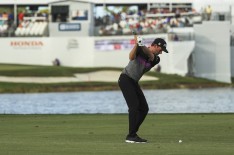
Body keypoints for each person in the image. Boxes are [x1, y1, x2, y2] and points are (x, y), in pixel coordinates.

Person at [118, 35, 168, 143]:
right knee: (134, 107)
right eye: (161, 49)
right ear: (154, 45)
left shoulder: (156, 59)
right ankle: (131, 136)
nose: (161, 52)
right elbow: (131, 57)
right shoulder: (139, 49)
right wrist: (137, 45)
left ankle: (132, 134)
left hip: (134, 82)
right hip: (125, 79)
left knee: (144, 108)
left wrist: (141, 44)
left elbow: (149, 54)